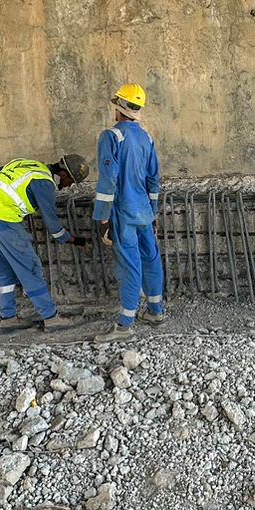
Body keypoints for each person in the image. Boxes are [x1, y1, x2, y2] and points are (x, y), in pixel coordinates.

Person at [0, 154, 90, 332]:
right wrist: (76, 240)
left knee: (4, 270)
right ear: (64, 174)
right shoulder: (44, 183)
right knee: (30, 267)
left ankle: (8, 318)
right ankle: (51, 317)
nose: (68, 186)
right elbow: (53, 227)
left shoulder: (29, 165)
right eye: (70, 181)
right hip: (4, 219)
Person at [91, 83, 165, 343]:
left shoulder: (112, 136)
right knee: (151, 258)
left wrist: (102, 218)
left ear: (119, 108)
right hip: (144, 211)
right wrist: (154, 213)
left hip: (123, 213)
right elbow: (154, 180)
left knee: (129, 265)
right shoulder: (146, 137)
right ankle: (155, 310)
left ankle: (125, 324)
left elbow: (108, 181)